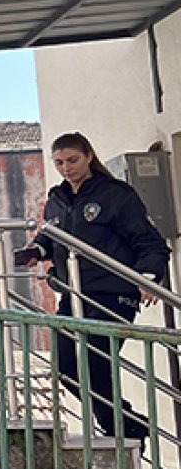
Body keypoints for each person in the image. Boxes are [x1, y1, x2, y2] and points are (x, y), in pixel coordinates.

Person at [17, 132, 170, 440]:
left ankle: (123, 431)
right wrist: (35, 251)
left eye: (72, 160)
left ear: (88, 156)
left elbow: (150, 243)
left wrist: (149, 278)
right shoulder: (56, 201)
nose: (66, 168)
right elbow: (50, 239)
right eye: (59, 162)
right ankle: (129, 425)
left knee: (95, 363)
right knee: (65, 366)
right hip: (72, 296)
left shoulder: (116, 195)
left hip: (112, 296)